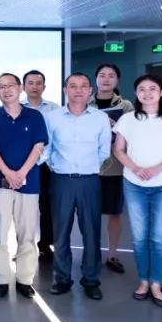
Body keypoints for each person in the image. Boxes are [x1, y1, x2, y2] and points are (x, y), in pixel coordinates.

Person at [113, 74, 162, 308]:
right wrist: (136, 168)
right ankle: (143, 281)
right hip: (134, 184)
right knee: (139, 237)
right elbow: (118, 150)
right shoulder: (127, 119)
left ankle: (156, 283)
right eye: (142, 89)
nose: (147, 93)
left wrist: (158, 168)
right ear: (136, 93)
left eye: (152, 88)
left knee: (159, 237)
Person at [45, 73, 112, 300]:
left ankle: (91, 279)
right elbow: (47, 148)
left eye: (83, 86)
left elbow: (104, 150)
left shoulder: (100, 118)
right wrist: (55, 166)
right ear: (65, 90)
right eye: (73, 86)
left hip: (89, 181)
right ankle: (62, 278)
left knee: (91, 231)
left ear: (90, 91)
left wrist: (90, 167)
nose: (78, 90)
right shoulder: (52, 118)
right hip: (61, 180)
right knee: (60, 232)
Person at [0, 73, 48, 299]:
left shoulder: (34, 116)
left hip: (28, 183)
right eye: (1, 87)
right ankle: (1, 279)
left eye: (10, 85)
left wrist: (20, 173)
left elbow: (38, 146)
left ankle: (25, 279)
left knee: (27, 234)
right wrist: (8, 173)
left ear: (20, 88)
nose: (6, 90)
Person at [91, 63, 134, 273]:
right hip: (89, 167)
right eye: (102, 75)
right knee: (90, 213)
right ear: (96, 79)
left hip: (115, 167)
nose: (106, 79)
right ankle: (91, 254)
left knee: (114, 212)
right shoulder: (85, 103)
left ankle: (112, 254)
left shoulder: (125, 106)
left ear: (117, 80)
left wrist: (114, 127)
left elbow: (133, 135)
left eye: (111, 75)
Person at [22, 69, 61, 261]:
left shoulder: (55, 109)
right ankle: (23, 247)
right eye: (30, 83)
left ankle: (45, 245)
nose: (34, 86)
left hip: (47, 165)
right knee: (23, 208)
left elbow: (58, 138)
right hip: (23, 164)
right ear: (23, 87)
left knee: (47, 206)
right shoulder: (17, 107)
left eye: (38, 83)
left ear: (44, 87)